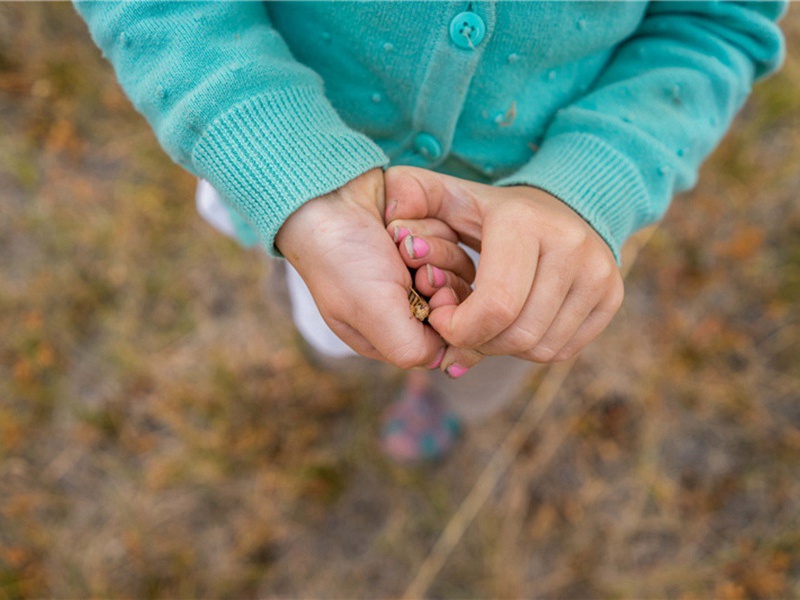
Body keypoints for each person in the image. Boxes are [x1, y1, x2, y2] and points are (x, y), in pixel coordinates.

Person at [74, 1, 786, 461]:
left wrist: (591, 180)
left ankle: (435, 394)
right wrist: (294, 173)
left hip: (525, 222)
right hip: (296, 177)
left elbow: (714, 22)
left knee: (483, 349)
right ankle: (357, 357)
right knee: (334, 322)